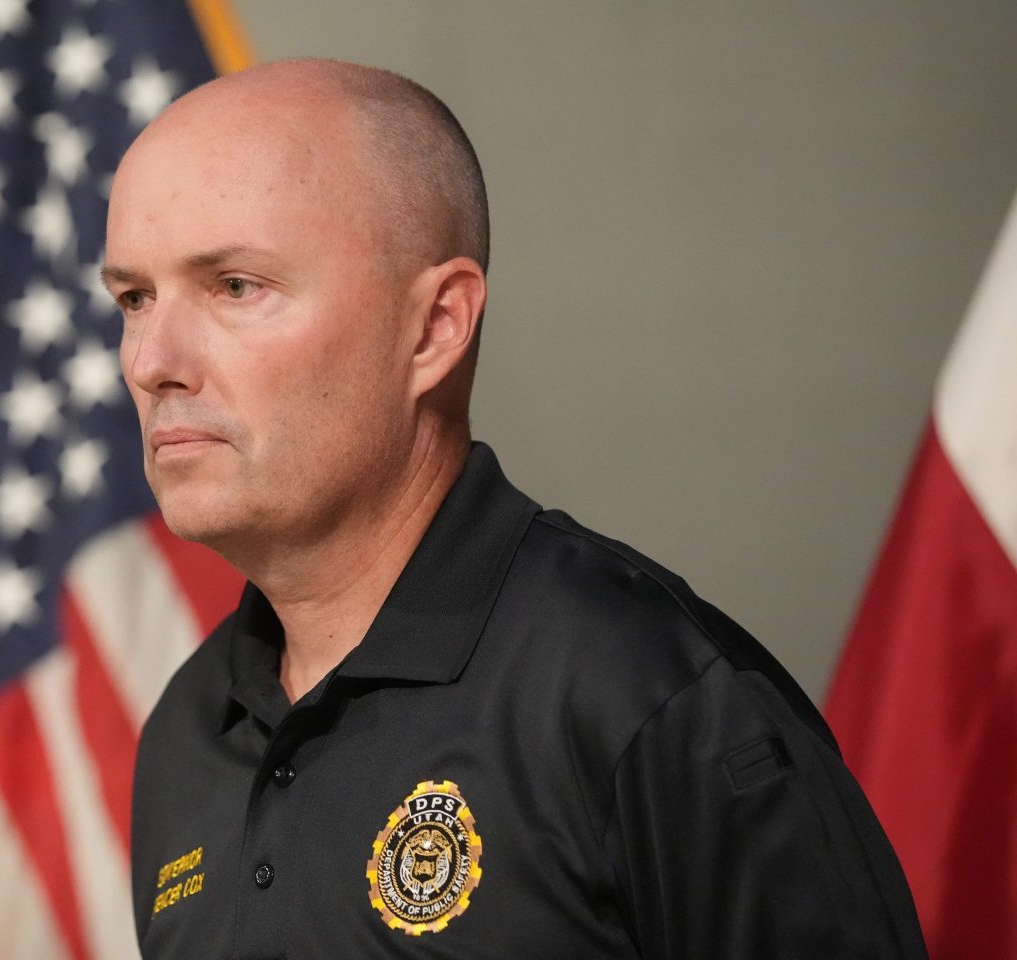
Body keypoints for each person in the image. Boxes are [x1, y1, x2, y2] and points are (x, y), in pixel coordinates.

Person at [103, 58, 927, 959]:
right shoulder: (187, 731)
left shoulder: (644, 697)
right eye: (135, 298)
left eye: (235, 287)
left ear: (434, 328)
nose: (152, 361)